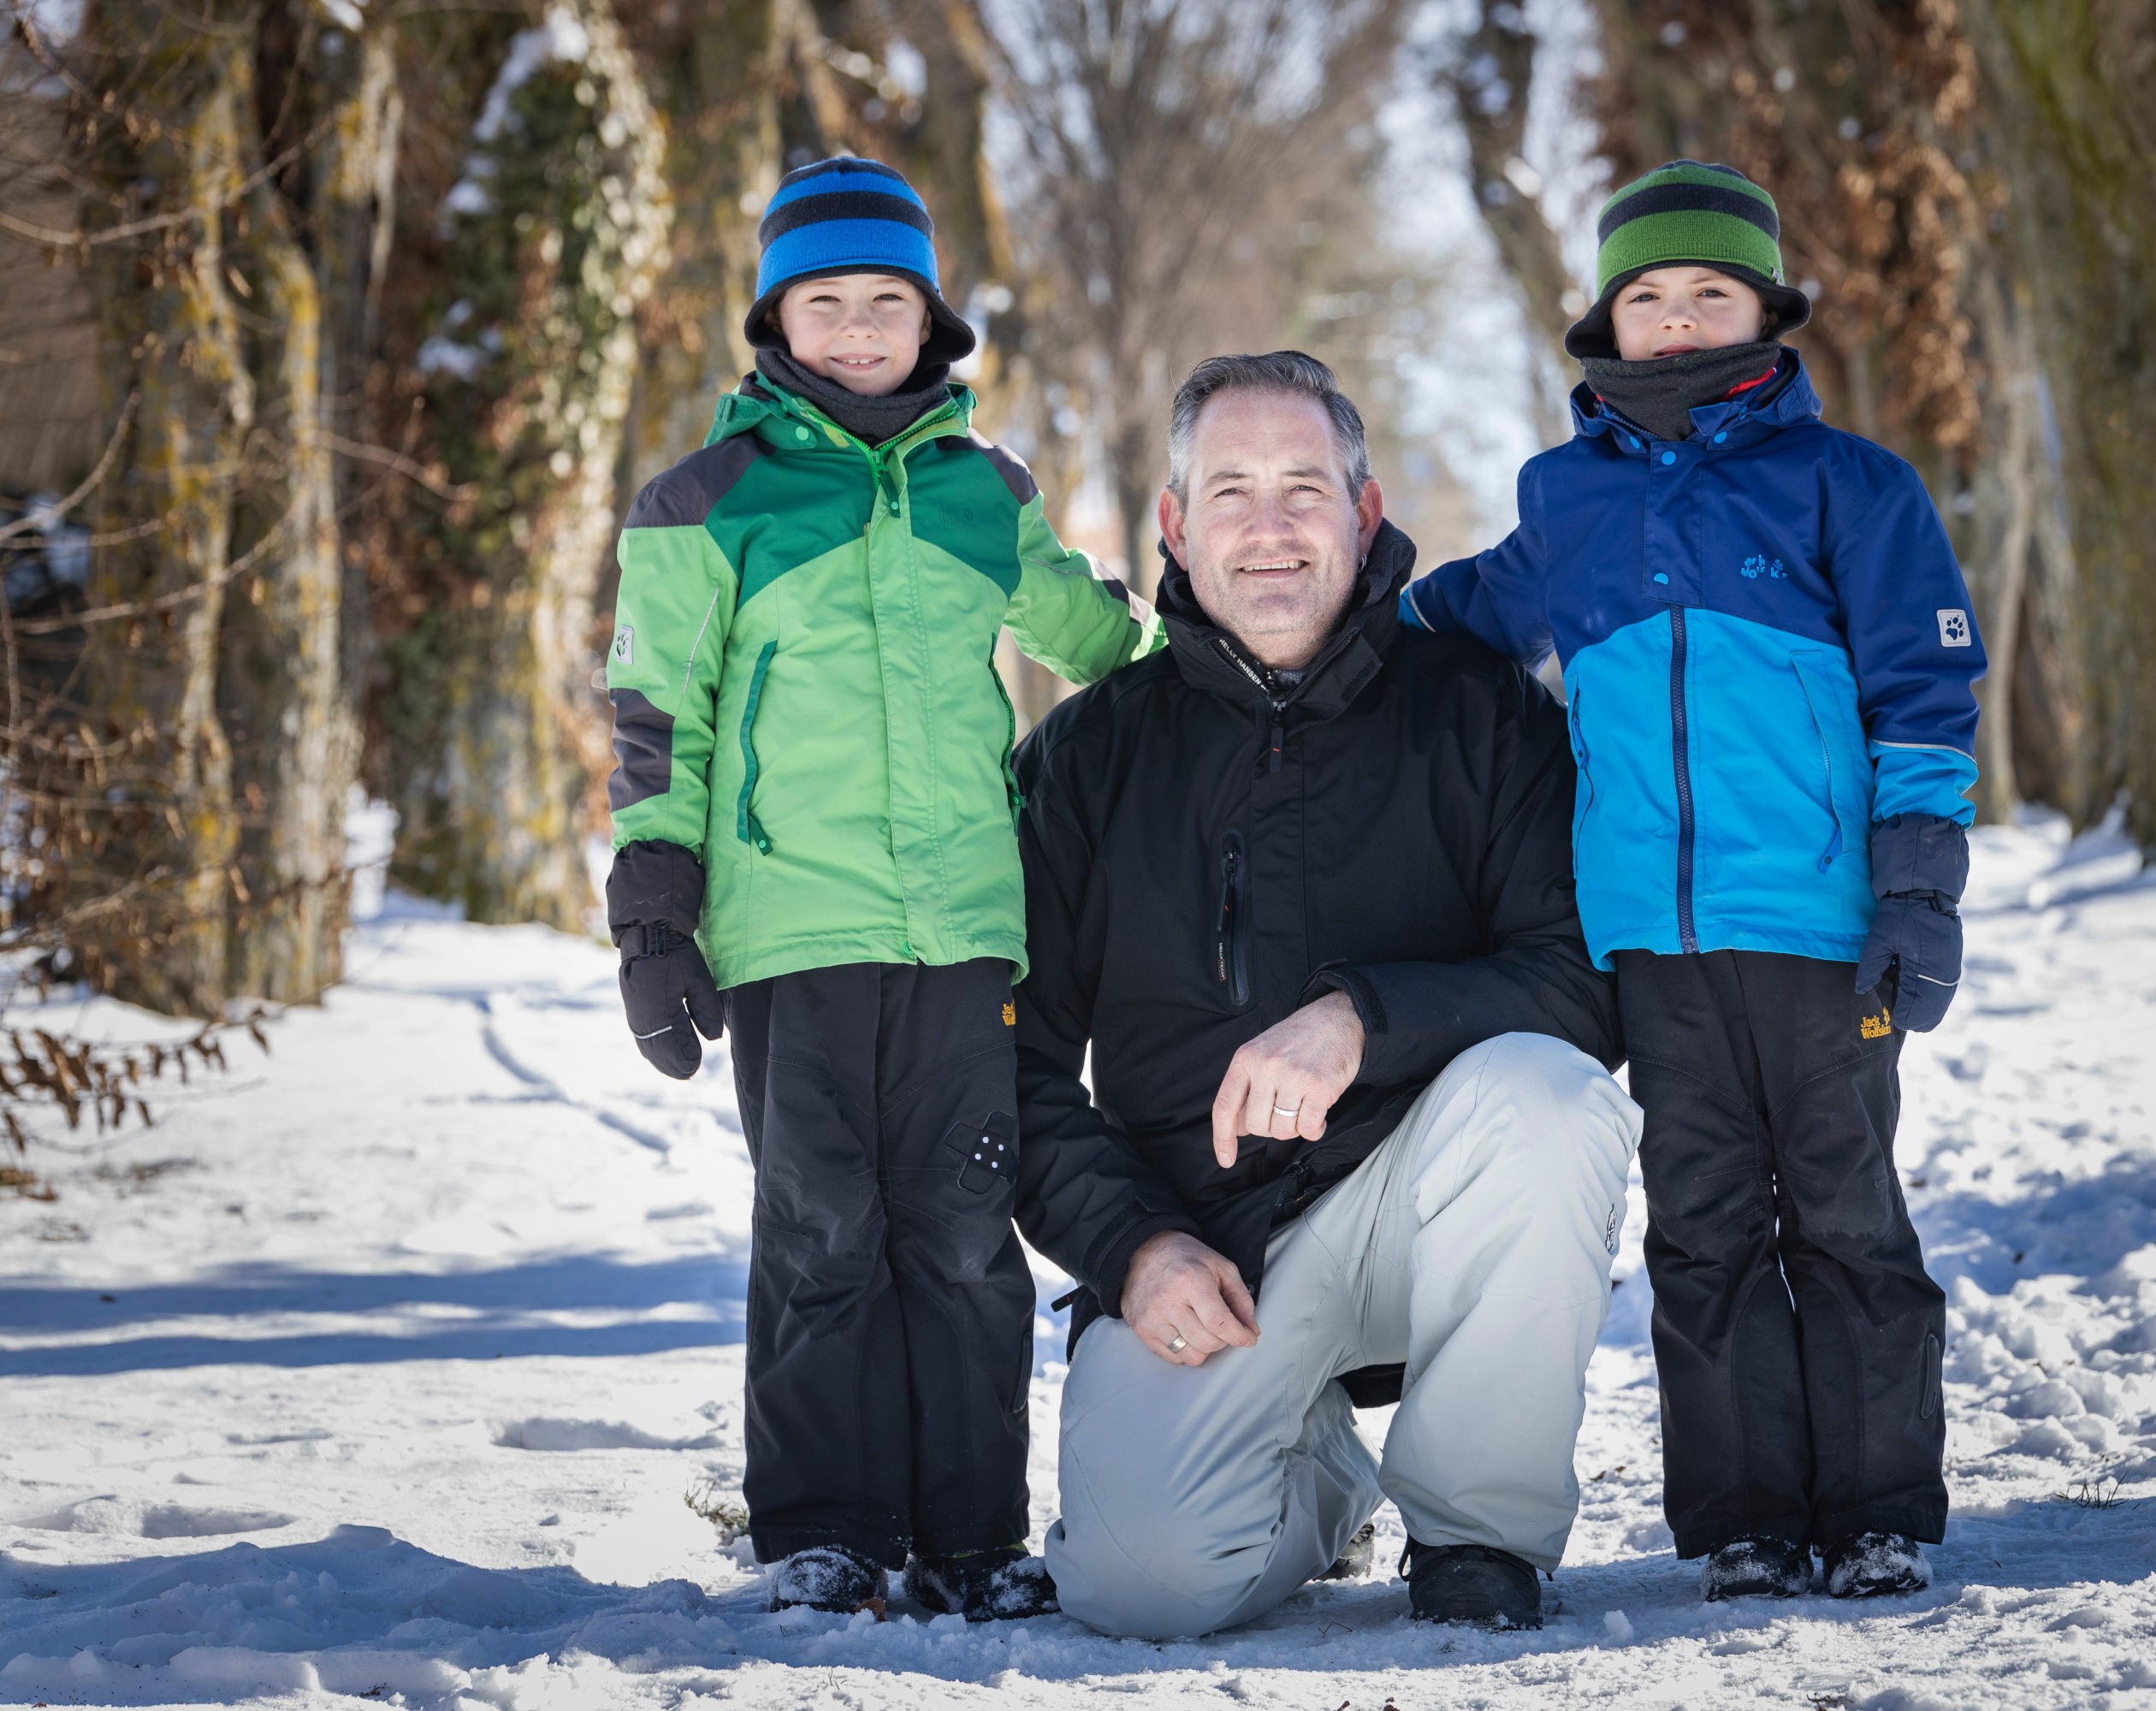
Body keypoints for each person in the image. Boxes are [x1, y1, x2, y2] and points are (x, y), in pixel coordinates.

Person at [1401, 161, 1987, 1602]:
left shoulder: (1850, 486)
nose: (1674, 318)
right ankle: (1744, 1520)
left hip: (1818, 924)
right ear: (1606, 320)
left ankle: (1878, 1510)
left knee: (1845, 1211)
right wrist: (1345, 600)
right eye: (1647, 295)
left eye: (1708, 292)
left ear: (1766, 310)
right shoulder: (1569, 498)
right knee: (1703, 1224)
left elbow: (1923, 698)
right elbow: (1472, 613)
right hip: (1650, 939)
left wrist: (1918, 887)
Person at [598, 156, 1155, 1622]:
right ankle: (825, 1529)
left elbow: (1101, 645)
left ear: (932, 321)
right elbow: (659, 718)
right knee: (821, 1227)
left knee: (968, 1233)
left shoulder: (985, 492)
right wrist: (653, 910)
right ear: (776, 319)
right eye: (825, 301)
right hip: (793, 927)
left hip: (966, 928)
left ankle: (972, 1535)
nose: (856, 327)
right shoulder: (706, 500)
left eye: (886, 301)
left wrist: (1225, 655)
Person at [1008, 352, 1636, 1637]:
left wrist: (1362, 1018)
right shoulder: (1088, 756)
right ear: (1174, 524)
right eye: (1229, 491)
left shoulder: (1482, 714)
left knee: (1552, 1098)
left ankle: (1475, 1534)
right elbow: (1009, 1066)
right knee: (1139, 1587)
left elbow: (1581, 984)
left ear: (1363, 509)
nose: (1271, 526)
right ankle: (1325, 1477)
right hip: (1208, 1241)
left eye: (1305, 487)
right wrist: (1131, 1247)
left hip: (1432, 1200)